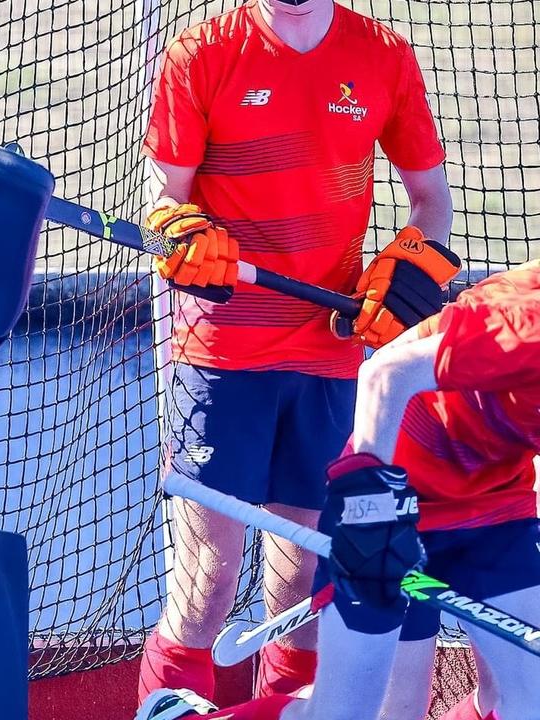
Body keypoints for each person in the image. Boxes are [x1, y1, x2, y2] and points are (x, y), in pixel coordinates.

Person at [138, 0, 458, 701]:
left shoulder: (384, 55)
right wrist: (182, 229)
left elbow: (432, 201)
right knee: (208, 581)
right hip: (222, 350)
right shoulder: (201, 52)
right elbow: (163, 201)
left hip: (329, 350)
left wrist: (409, 262)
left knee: (300, 586)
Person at [138, 260, 540, 720]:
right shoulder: (522, 322)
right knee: (370, 714)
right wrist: (371, 512)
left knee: (531, 702)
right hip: (396, 486)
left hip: (495, 505)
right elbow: (386, 376)